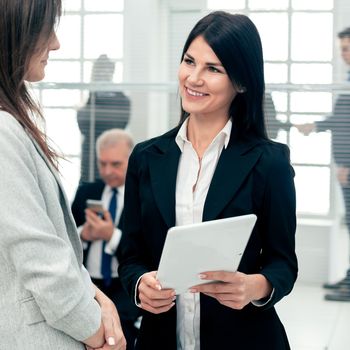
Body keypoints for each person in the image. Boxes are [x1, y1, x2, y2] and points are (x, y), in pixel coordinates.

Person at [118, 11, 297, 350]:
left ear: (241, 82)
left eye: (213, 69)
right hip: (161, 340)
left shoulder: (269, 162)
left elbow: (283, 263)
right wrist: (140, 284)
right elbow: (130, 256)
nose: (193, 78)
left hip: (244, 339)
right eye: (189, 61)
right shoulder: (145, 157)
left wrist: (254, 286)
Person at [0, 1, 126, 349]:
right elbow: (42, 261)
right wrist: (102, 334)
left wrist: (98, 300)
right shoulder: (3, 131)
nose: (55, 43)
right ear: (15, 32)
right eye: (46, 30)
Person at [71, 129, 140, 349]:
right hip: (88, 285)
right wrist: (84, 234)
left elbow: (145, 249)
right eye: (103, 164)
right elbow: (65, 237)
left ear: (131, 161)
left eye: (116, 164)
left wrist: (111, 236)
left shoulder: (141, 195)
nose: (108, 171)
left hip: (124, 289)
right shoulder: (86, 192)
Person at [296, 27, 350, 302]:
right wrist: (314, 125)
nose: (344, 55)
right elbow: (341, 117)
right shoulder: (347, 79)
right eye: (341, 49)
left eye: (348, 49)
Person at [77, 54, 130, 183]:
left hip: (111, 150)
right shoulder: (90, 97)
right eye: (99, 70)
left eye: (106, 70)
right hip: (90, 156)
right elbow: (83, 126)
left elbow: (119, 126)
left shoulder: (121, 99)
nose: (103, 74)